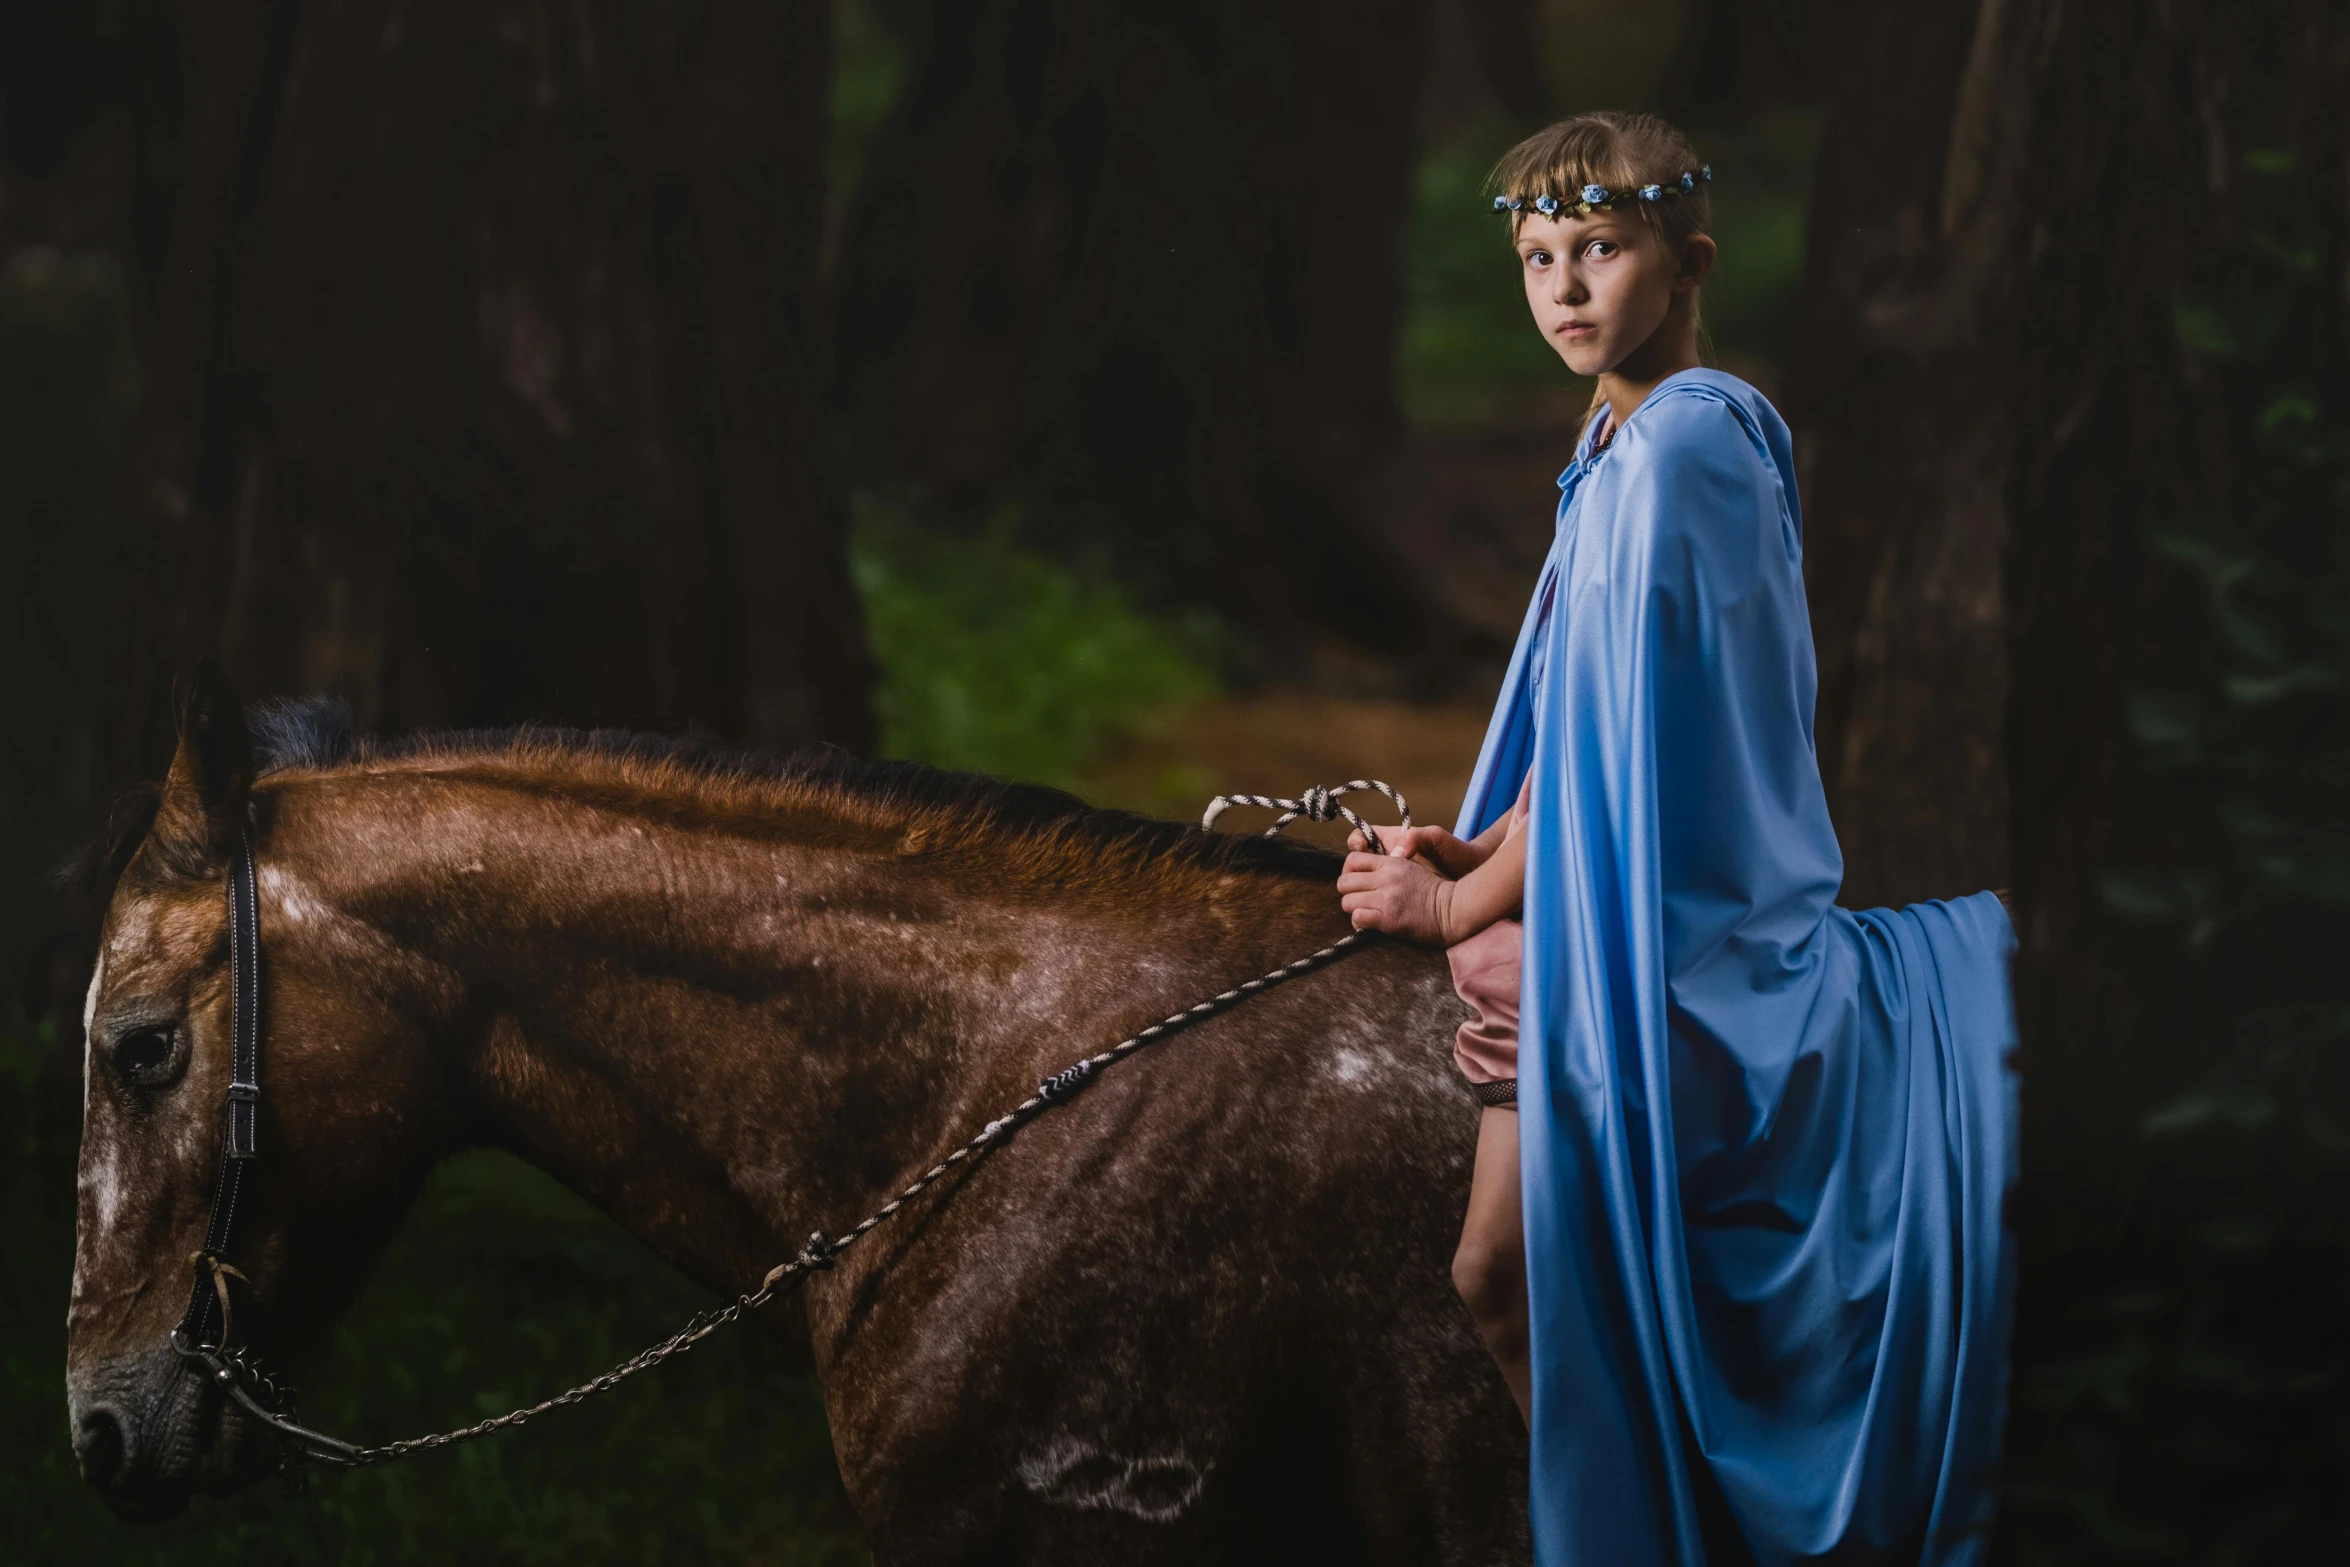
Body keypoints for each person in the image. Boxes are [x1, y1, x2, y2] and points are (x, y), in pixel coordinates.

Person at [1335, 111, 2019, 1565]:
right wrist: (1493, 838)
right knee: (1496, 1269)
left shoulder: (1679, 453)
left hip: (1689, 922)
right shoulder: (1625, 437)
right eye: (1536, 258)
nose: (1564, 288)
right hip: (1612, 866)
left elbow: (1618, 754)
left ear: (1686, 260)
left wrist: (1456, 911)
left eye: (1599, 248)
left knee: (1503, 1267)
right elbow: (1601, 708)